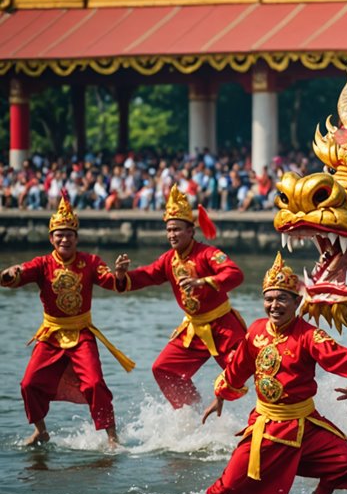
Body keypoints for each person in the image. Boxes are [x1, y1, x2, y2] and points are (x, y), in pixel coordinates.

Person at [201, 253, 347, 494]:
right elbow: (238, 368)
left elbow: (335, 355)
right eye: (269, 299)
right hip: (266, 428)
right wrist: (221, 395)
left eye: (282, 299)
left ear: (297, 302)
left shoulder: (309, 335)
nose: (274, 305)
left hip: (304, 425)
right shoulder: (255, 331)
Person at [0, 195, 135, 446]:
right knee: (29, 383)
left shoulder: (91, 262)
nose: (64, 239)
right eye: (59, 235)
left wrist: (119, 274)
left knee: (95, 383)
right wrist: (10, 273)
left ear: (76, 238)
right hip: (51, 335)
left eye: (69, 234)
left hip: (82, 334)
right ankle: (41, 431)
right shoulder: (42, 264)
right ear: (51, 238)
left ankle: (113, 438)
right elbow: (18, 274)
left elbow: (111, 283)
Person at [117, 185, 245, 408]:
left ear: (191, 231)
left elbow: (234, 274)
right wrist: (121, 275)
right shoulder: (168, 260)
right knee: (163, 369)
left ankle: (272, 416)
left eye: (176, 229)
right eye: (168, 230)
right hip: (193, 330)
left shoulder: (208, 254)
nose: (172, 235)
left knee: (249, 370)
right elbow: (146, 275)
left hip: (223, 327)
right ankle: (191, 413)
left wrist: (202, 281)